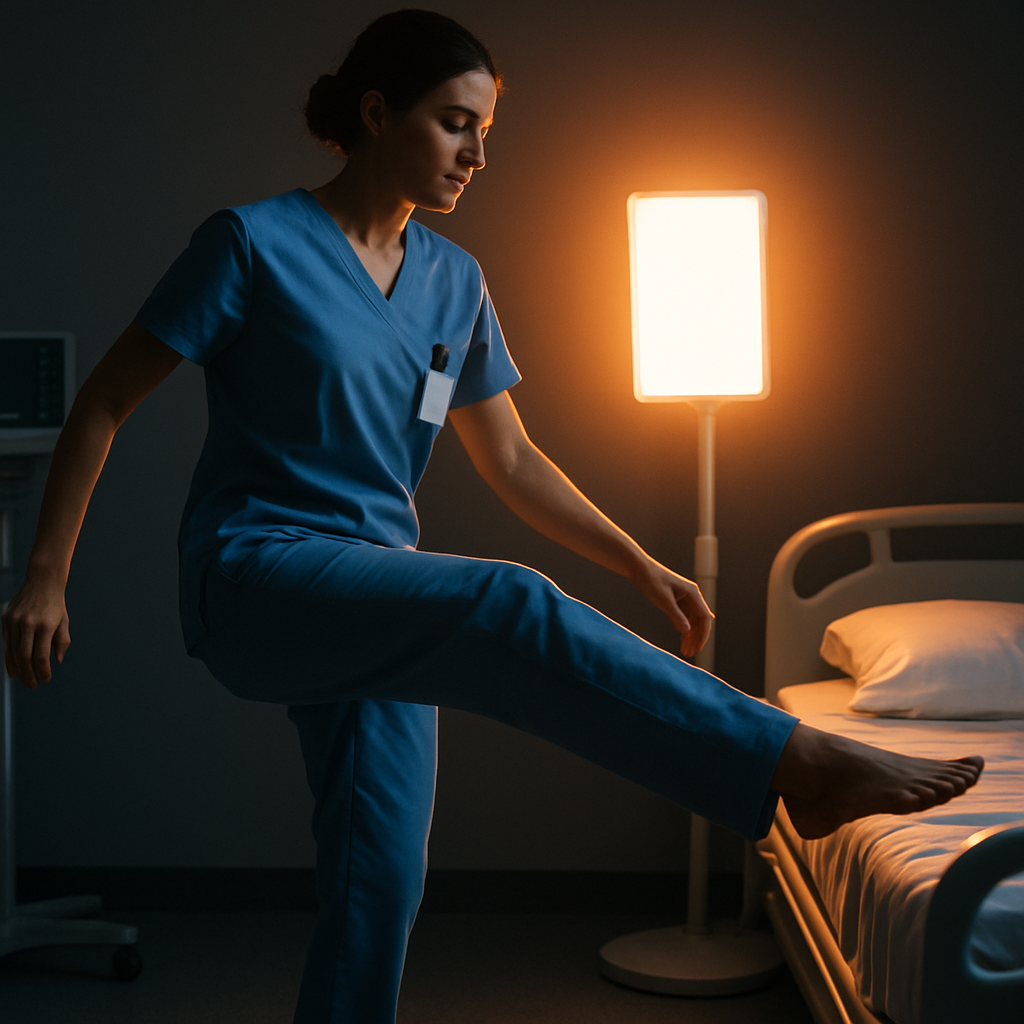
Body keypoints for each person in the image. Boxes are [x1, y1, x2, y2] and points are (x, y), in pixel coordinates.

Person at [1, 10, 983, 1024]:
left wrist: (639, 563)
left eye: (485, 130)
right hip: (261, 572)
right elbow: (107, 400)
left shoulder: (453, 280)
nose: (478, 153)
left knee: (377, 888)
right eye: (455, 122)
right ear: (378, 114)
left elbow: (511, 459)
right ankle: (789, 760)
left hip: (388, 599)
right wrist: (45, 573)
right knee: (503, 599)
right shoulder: (251, 243)